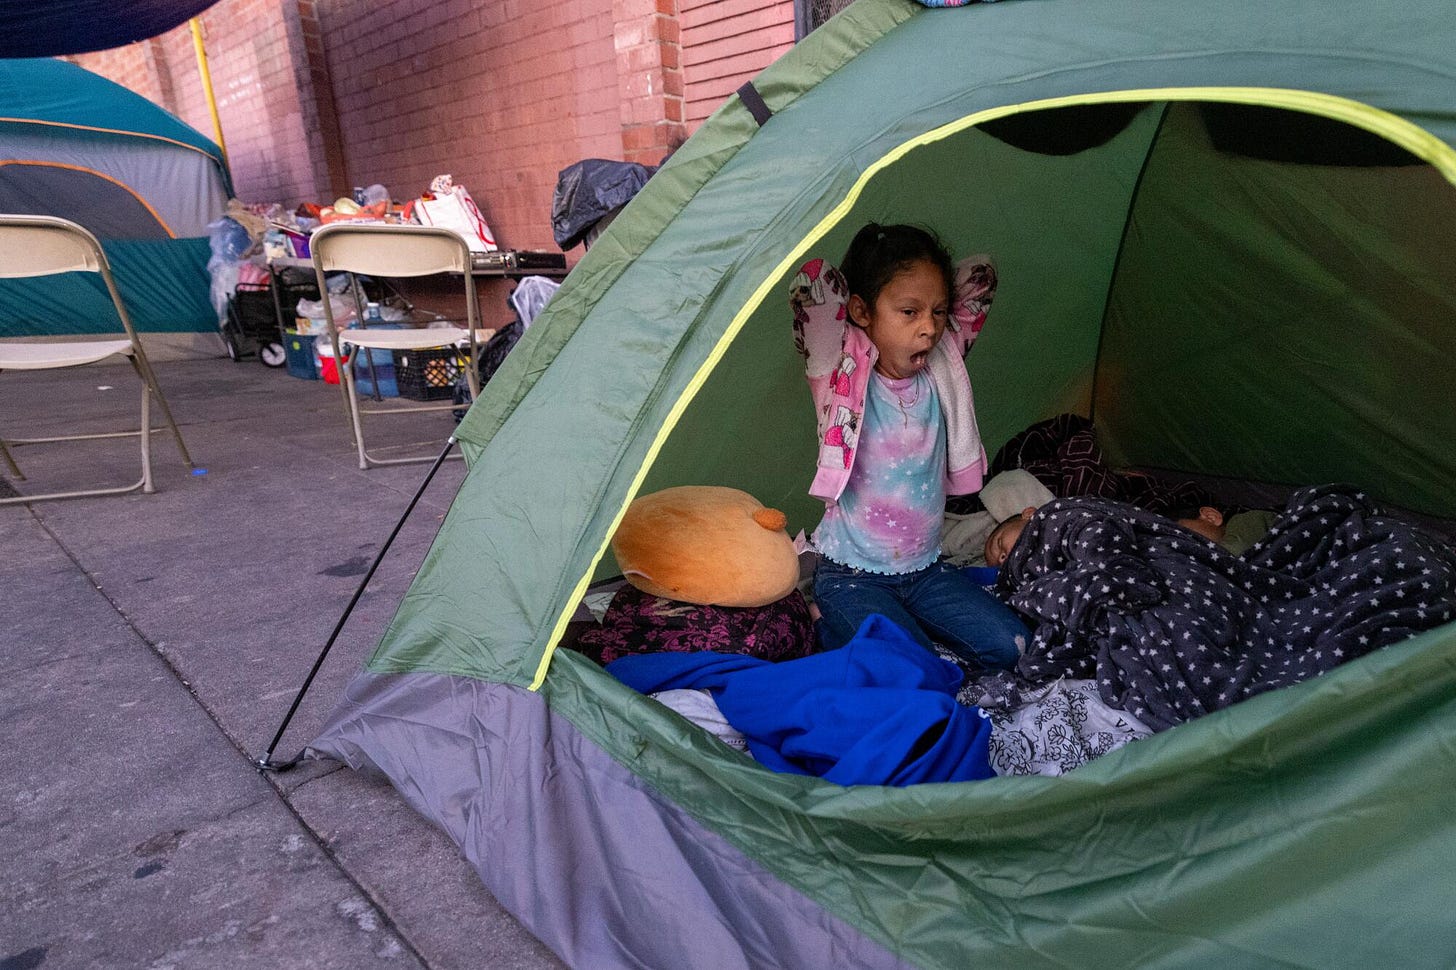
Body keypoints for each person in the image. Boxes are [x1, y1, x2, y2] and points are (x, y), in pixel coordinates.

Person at [789, 223, 1027, 670]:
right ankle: (824, 622)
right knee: (913, 667)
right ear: (861, 311)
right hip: (851, 576)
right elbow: (814, 284)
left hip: (925, 570)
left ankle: (877, 630)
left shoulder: (942, 366)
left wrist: (926, 292)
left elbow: (981, 274)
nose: (929, 329)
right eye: (909, 312)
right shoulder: (838, 371)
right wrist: (866, 258)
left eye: (938, 312)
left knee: (1012, 645)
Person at [983, 502, 1278, 567]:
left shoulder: (1246, 522)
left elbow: (1235, 554)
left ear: (1029, 514)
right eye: (1001, 562)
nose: (1004, 556)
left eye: (1000, 544)